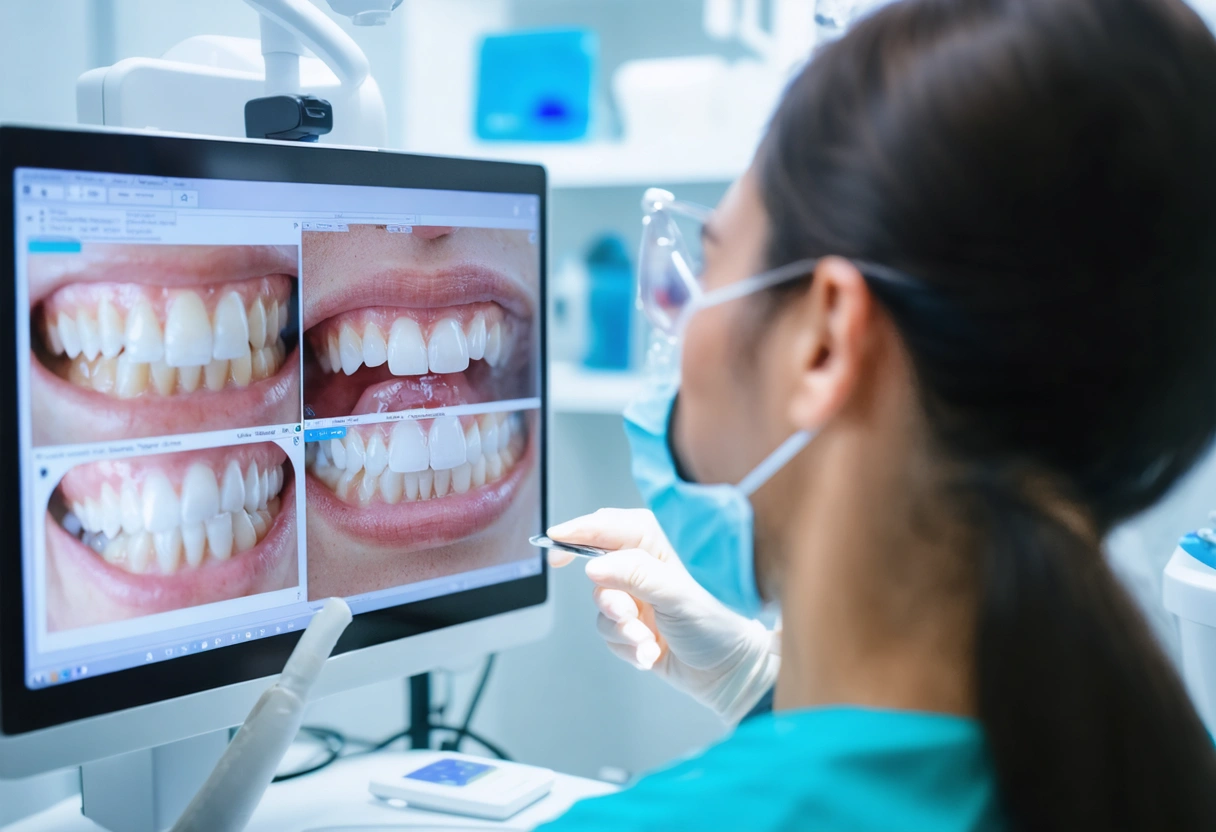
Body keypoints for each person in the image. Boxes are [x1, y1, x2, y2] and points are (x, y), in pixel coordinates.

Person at [538, 0, 1216, 829]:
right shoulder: (1150, 765)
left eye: (709, 265)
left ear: (825, 341)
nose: (677, 323)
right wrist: (760, 688)